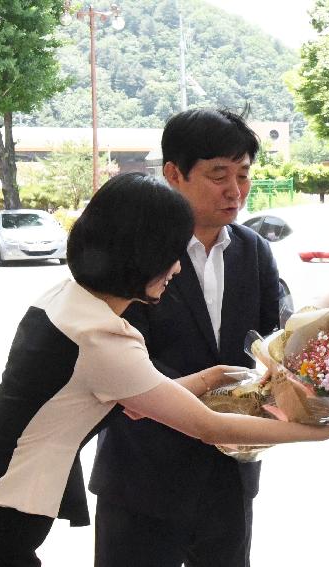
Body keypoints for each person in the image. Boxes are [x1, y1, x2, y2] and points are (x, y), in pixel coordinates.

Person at [0, 172, 329, 567]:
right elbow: (211, 428)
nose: (177, 267)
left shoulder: (68, 300)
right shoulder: (103, 338)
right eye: (172, 253)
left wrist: (208, 377)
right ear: (141, 254)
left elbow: (133, 398)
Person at [88, 109, 282, 567]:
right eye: (218, 174)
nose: (235, 190)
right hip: (143, 474)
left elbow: (268, 346)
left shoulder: (254, 251)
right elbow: (118, 360)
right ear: (174, 173)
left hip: (229, 471)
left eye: (243, 174)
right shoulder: (135, 251)